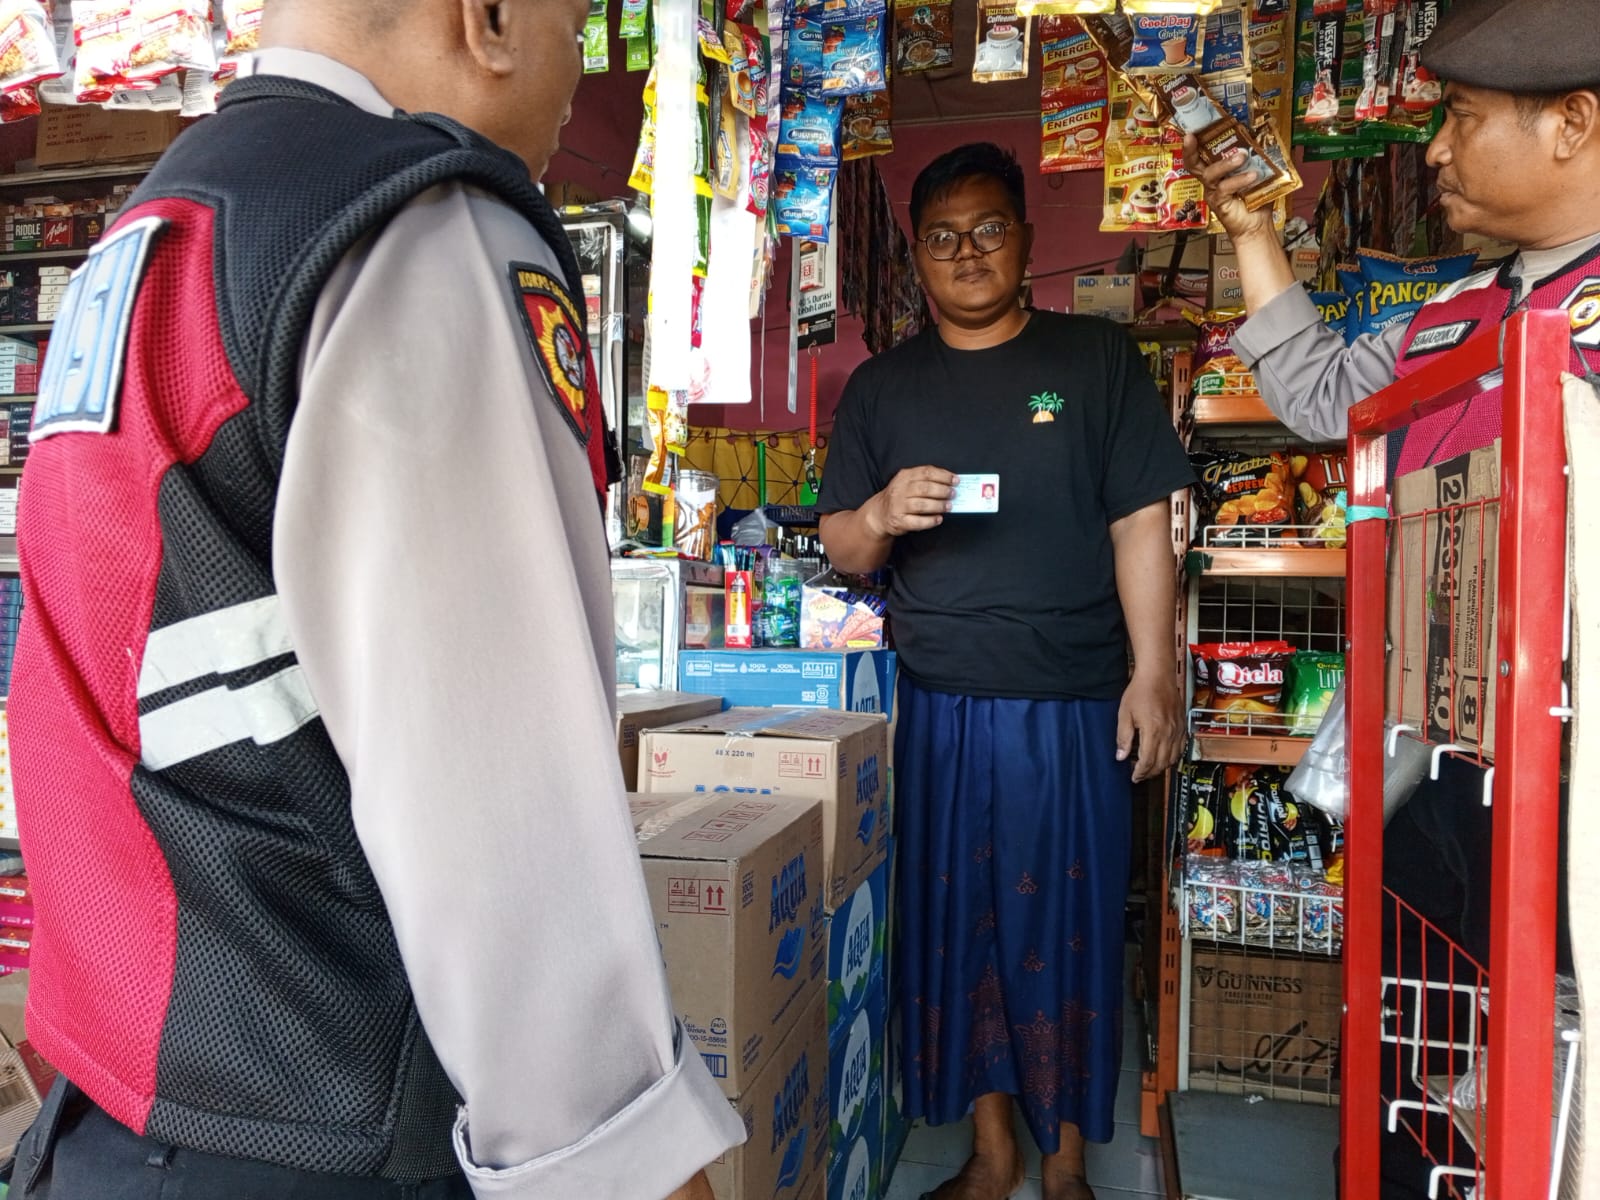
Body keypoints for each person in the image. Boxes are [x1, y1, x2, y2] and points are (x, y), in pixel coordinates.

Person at [3, 2, 743, 1198]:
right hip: (331, 1122)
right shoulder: (403, 226)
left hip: (118, 1119)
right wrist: (628, 1164)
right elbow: (496, 810)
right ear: (490, 19)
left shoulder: (153, 233)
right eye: (574, 24)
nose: (577, 73)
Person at [818, 143, 1193, 1200]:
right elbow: (842, 544)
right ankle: (992, 1157)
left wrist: (1153, 672)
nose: (966, 253)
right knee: (960, 931)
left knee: (1062, 933)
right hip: (937, 706)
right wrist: (883, 513)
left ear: (1026, 240)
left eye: (987, 229)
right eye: (942, 239)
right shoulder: (881, 386)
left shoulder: (1095, 361)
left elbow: (1139, 522)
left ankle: (1066, 1167)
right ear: (916, 259)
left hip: (1072, 701)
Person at [1188, 0, 1600, 463]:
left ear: (1571, 124)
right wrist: (1253, 232)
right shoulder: (1453, 310)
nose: (1436, 151)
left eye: (1462, 116)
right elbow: (1323, 397)